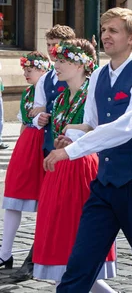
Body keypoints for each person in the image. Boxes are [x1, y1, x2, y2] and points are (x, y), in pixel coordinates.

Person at [42, 8, 132, 292]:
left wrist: (72, 151)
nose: (105, 36)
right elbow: (92, 124)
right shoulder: (98, 76)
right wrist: (71, 137)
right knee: (80, 263)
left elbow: (129, 125)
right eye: (104, 29)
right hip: (105, 183)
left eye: (114, 30)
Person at [32, 39, 117, 291]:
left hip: (82, 169)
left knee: (78, 237)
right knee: (60, 240)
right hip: (59, 171)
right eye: (56, 59)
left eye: (62, 60)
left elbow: (100, 128)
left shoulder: (93, 93)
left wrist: (76, 135)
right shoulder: (59, 99)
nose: (55, 65)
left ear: (81, 65)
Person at [14, 24, 75, 281]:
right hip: (50, 147)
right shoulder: (48, 77)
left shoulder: (82, 74)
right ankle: (37, 256)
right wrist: (39, 116)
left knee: (71, 207)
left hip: (74, 152)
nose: (50, 51)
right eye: (48, 44)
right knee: (49, 205)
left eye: (55, 46)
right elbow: (35, 108)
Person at [0, 52, 50, 269]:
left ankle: (40, 253)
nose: (26, 73)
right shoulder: (28, 92)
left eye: (31, 69)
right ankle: (5, 253)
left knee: (45, 202)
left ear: (43, 69)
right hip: (27, 146)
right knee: (13, 197)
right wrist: (20, 149)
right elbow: (23, 125)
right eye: (24, 68)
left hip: (45, 146)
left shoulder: (53, 91)